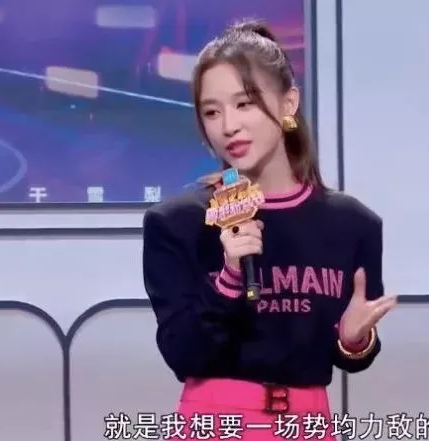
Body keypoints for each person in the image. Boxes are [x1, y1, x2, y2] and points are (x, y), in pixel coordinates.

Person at [142, 18, 397, 441]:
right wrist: (230, 277)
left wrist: (354, 340)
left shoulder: (353, 224)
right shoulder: (178, 222)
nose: (228, 126)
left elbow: (350, 357)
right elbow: (182, 354)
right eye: (212, 112)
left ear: (288, 103)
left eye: (245, 104)